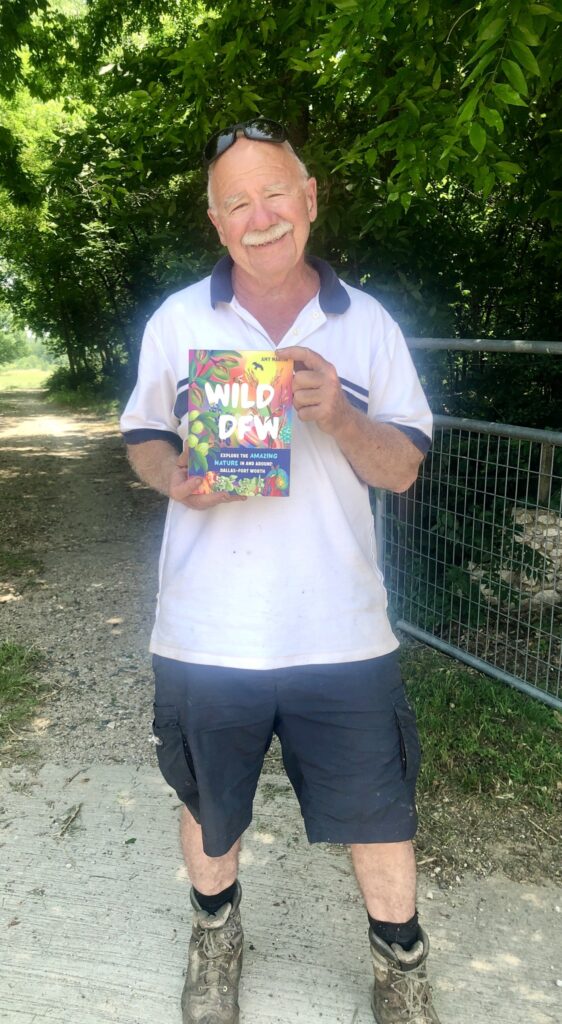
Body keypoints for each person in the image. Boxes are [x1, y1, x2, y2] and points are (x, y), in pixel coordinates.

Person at [120, 118, 440, 1024]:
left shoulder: (369, 324)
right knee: (208, 803)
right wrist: (174, 480)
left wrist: (338, 414)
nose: (260, 217)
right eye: (237, 203)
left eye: (275, 195)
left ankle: (401, 963)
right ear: (216, 223)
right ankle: (215, 934)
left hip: (341, 627)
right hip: (205, 628)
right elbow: (143, 435)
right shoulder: (177, 320)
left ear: (309, 200)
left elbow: (404, 468)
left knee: (379, 812)